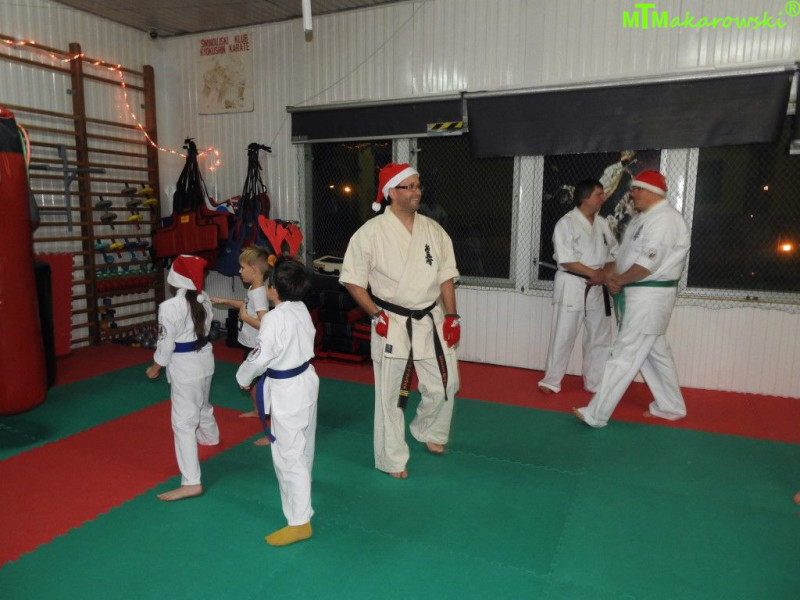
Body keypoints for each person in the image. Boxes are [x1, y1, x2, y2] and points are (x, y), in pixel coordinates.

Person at [339, 163, 461, 479]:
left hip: (430, 318)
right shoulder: (369, 233)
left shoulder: (433, 230)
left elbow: (446, 276)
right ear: (391, 192)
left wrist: (451, 316)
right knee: (391, 396)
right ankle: (391, 458)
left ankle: (429, 429)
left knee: (447, 383)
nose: (417, 191)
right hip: (391, 320)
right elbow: (352, 279)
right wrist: (375, 314)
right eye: (410, 186)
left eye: (418, 185)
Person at [574, 170, 691, 428]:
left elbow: (648, 264)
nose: (632, 194)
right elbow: (624, 256)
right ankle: (671, 406)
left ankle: (596, 413)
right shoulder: (642, 219)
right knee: (654, 354)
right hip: (637, 294)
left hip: (650, 296)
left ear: (652, 192)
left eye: (637, 189)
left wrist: (620, 280)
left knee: (624, 353)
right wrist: (612, 276)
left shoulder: (665, 220)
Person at [235, 256, 319, 547]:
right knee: (304, 445)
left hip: (287, 389)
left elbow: (260, 357)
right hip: (306, 379)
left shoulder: (273, 319)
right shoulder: (301, 308)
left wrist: (243, 377)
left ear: (274, 290)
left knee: (287, 454)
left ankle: (299, 522)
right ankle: (303, 491)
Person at [146, 255, 219, 501]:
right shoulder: (203, 298)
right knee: (202, 403)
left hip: (186, 367)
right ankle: (210, 437)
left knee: (183, 424)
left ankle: (191, 482)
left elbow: (166, 343)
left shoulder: (170, 307)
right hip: (205, 359)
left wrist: (156, 366)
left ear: (175, 278)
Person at [538, 179, 618, 395]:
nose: (603, 198)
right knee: (563, 335)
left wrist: (605, 274)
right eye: (599, 194)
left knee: (600, 337)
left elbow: (614, 254)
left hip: (597, 287)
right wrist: (595, 274)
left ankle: (595, 382)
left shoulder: (602, 224)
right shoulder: (566, 223)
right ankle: (551, 381)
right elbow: (566, 260)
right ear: (585, 197)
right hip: (572, 285)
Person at [211, 246, 271, 445]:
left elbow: (265, 323)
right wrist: (226, 301)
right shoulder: (254, 290)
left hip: (256, 346)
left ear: (254, 270)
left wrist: (244, 317)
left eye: (242, 267)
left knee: (255, 382)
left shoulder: (259, 293)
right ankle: (258, 410)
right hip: (249, 343)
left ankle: (265, 415)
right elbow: (246, 305)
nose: (239, 271)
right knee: (251, 382)